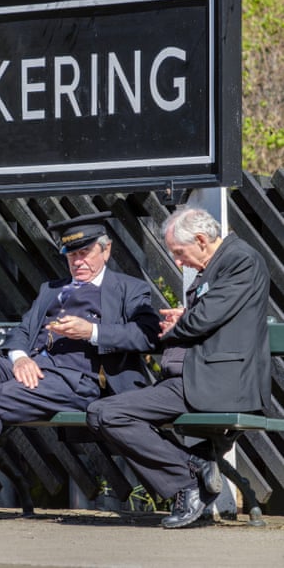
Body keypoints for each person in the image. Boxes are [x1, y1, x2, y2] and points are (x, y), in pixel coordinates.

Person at [0, 211, 160, 525]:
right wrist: (19, 358)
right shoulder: (51, 289)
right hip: (35, 373)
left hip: (82, 380)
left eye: (85, 253)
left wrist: (91, 332)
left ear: (107, 250)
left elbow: (147, 335)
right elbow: (21, 331)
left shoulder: (130, 289)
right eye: (71, 255)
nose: (78, 262)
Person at [87, 207, 271, 529]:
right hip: (195, 377)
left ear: (201, 240)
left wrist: (181, 321)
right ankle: (193, 468)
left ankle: (187, 481)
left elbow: (203, 320)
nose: (178, 262)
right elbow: (209, 316)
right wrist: (184, 315)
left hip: (218, 381)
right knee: (101, 412)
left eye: (179, 252)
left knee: (106, 414)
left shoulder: (241, 260)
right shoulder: (218, 264)